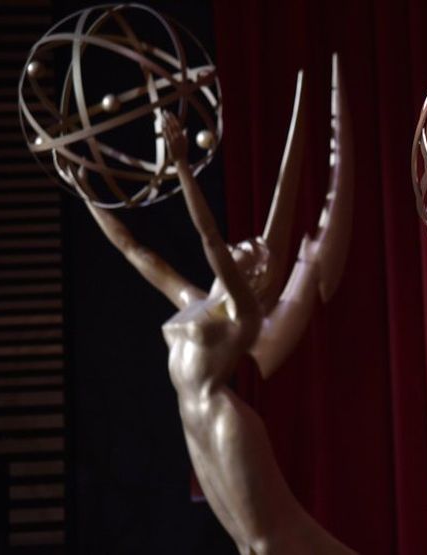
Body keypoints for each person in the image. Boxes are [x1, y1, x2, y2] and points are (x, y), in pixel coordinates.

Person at [84, 58, 355, 555]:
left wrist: (184, 164)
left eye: (252, 251)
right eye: (245, 244)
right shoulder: (192, 301)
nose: (243, 246)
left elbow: (210, 237)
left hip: (224, 421)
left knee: (265, 542)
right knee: (246, 543)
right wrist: (85, 189)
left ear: (254, 276)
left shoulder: (243, 315)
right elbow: (133, 250)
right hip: (194, 421)